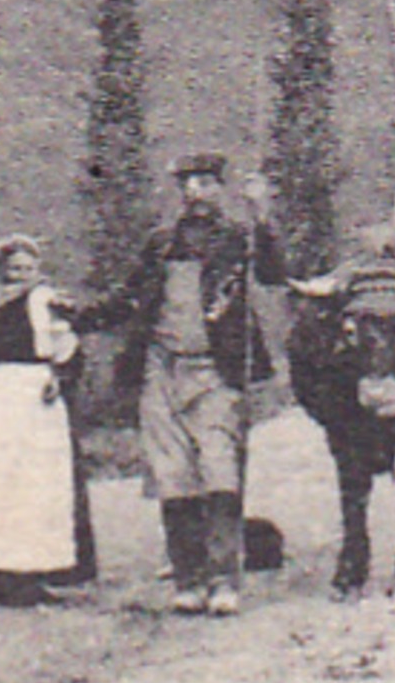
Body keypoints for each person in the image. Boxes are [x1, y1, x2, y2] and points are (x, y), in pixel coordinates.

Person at [67, 154, 284, 617]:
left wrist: (262, 213)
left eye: (206, 183)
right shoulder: (161, 244)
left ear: (221, 189)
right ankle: (189, 579)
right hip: (161, 369)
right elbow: (128, 298)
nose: (196, 193)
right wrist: (79, 315)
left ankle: (225, 579)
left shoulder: (239, 239)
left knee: (220, 471)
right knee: (173, 477)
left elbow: (273, 273)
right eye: (188, 184)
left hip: (217, 372)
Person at [0, 235, 94, 605]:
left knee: (35, 482)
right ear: (2, 271)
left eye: (28, 268)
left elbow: (65, 344)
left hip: (34, 390)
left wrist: (59, 376)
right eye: (14, 269)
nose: (21, 276)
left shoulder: (46, 299)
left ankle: (31, 572)